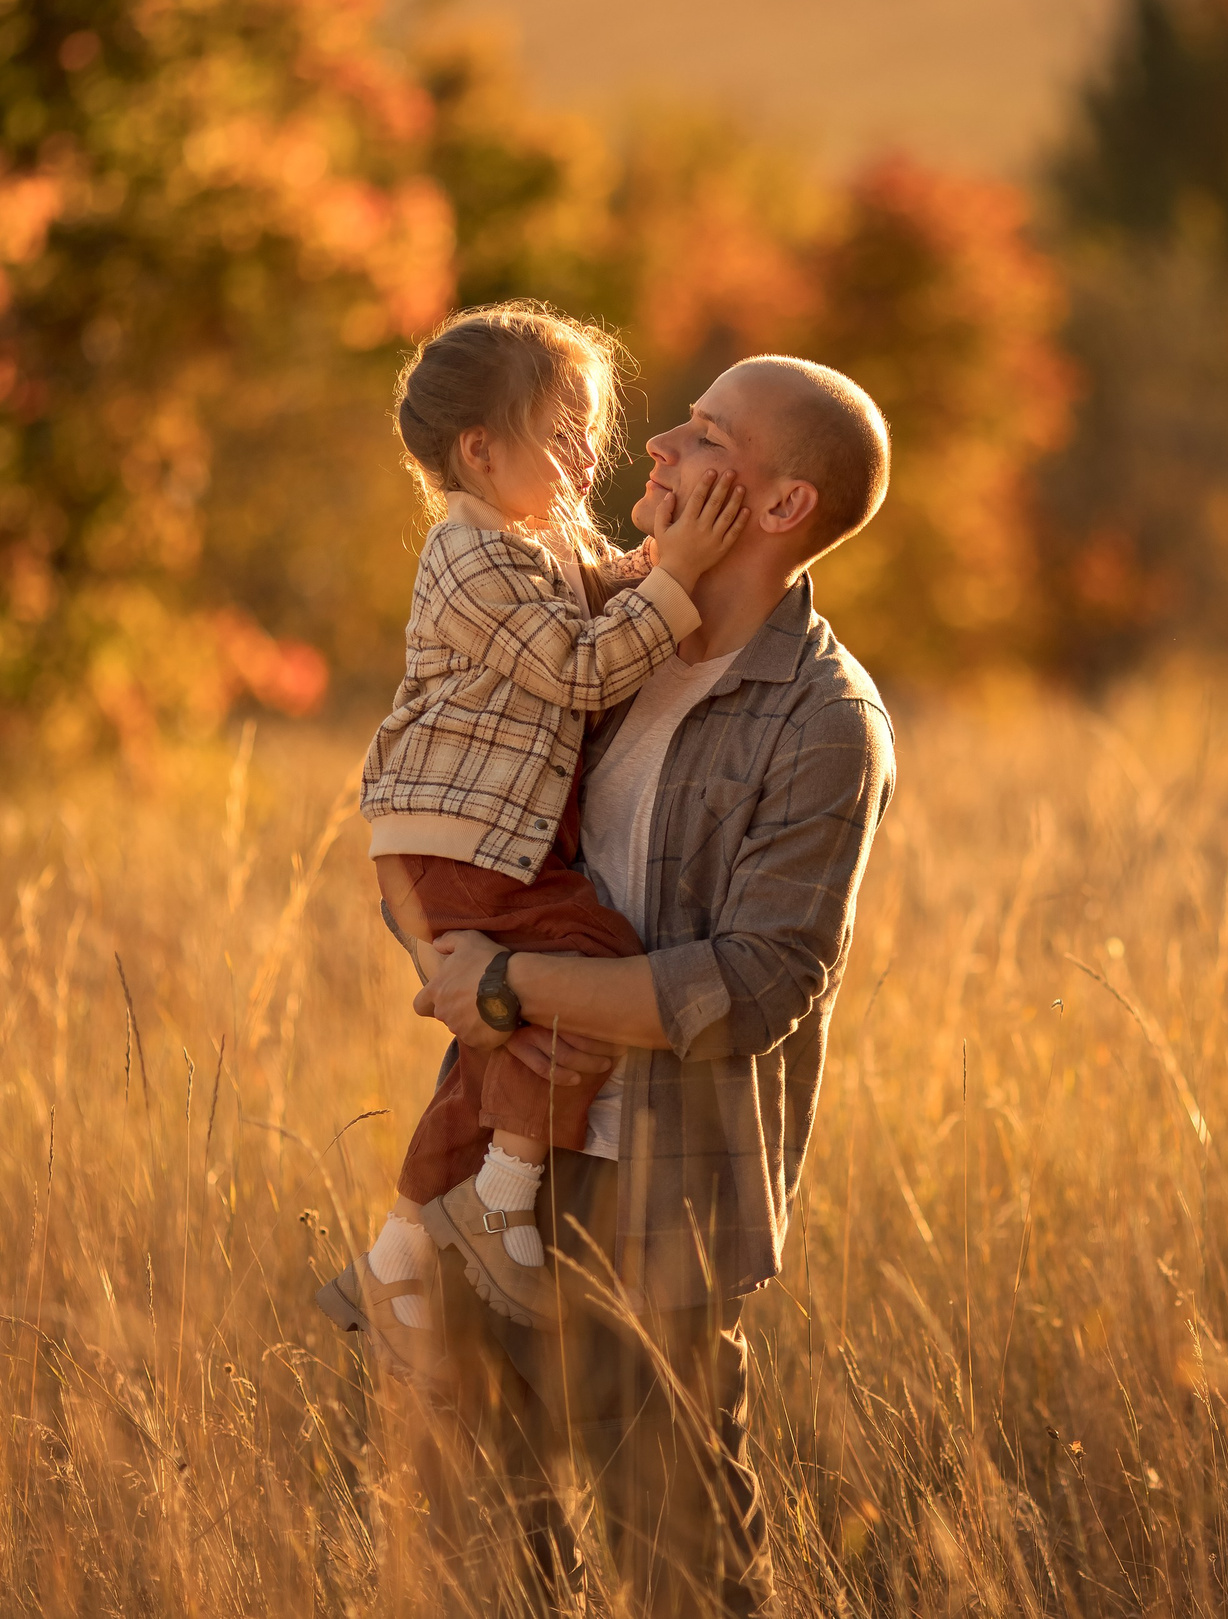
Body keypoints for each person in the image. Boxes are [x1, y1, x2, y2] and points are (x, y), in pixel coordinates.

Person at [346, 351, 898, 1618]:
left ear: (775, 508)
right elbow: (453, 813)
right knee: (483, 1570)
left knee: (685, 1579)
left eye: (704, 438)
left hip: (660, 1218)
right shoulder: (601, 642)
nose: (656, 448)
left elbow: (756, 987)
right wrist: (441, 944)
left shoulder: (820, 721)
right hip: (498, 1169)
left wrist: (503, 988)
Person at [315, 301, 750, 1360]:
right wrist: (683, 577)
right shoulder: (466, 559)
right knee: (593, 964)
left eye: (590, 432)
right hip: (452, 842)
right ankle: (502, 1201)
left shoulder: (539, 537)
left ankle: (399, 1252)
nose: (590, 454)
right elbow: (580, 663)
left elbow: (601, 589)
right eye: (565, 435)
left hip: (481, 841)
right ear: (481, 449)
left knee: (499, 1034)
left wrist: (655, 566)